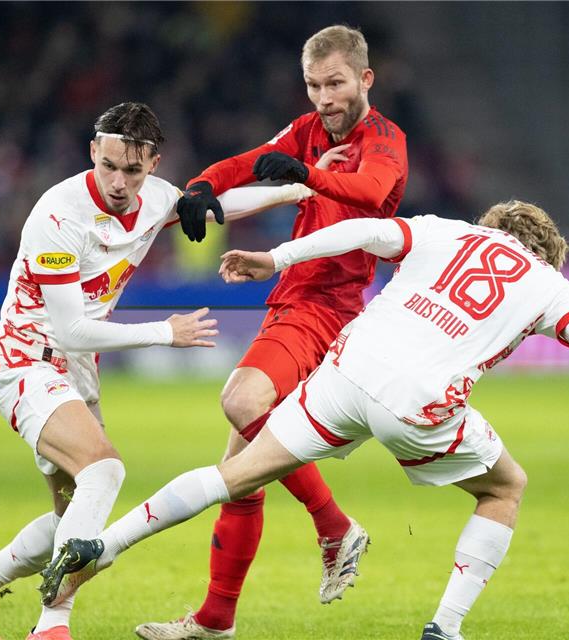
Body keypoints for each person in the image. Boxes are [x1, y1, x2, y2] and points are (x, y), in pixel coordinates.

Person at [39, 201, 569, 640]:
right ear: (548, 250)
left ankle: (108, 543)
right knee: (504, 487)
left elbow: (366, 233)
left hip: (348, 367)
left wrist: (278, 256)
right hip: (419, 400)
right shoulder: (548, 283)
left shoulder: (445, 230)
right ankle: (446, 628)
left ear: (491, 224)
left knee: (236, 473)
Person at [0, 102, 315, 640]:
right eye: (109, 166)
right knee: (106, 470)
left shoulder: (155, 199)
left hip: (78, 373)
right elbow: (70, 330)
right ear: (93, 151)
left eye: (133, 171)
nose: (119, 182)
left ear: (154, 165)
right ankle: (51, 627)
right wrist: (165, 332)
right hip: (25, 361)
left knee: (70, 520)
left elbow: (218, 206)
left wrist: (293, 191)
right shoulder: (58, 215)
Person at [128, 25, 409, 639]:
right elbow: (247, 163)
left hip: (325, 305)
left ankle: (334, 526)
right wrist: (201, 187)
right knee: (240, 477)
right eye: (313, 85)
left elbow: (370, 190)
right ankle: (214, 621)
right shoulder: (308, 131)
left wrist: (305, 175)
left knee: (240, 399)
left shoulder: (385, 139)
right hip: (296, 299)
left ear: (365, 79)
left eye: (336, 83)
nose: (324, 98)